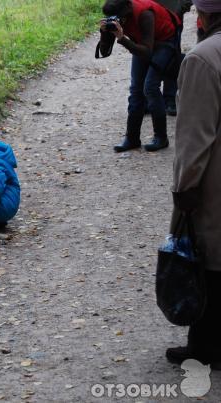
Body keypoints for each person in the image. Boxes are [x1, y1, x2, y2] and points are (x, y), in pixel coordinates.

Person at [165, 0, 221, 367]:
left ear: (203, 17)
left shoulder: (203, 59)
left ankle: (207, 347)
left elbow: (194, 137)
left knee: (210, 262)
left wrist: (184, 188)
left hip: (215, 182)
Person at [100, 0, 182, 152]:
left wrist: (122, 39)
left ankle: (161, 138)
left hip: (166, 40)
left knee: (150, 87)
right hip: (144, 43)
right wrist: (105, 33)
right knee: (136, 89)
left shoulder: (145, 15)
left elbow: (147, 52)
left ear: (127, 12)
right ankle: (132, 138)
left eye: (119, 18)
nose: (117, 21)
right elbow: (104, 52)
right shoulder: (118, 17)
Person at [155, 0, 192, 115]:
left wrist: (179, 9)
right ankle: (148, 98)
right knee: (145, 53)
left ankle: (170, 98)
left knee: (172, 56)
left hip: (172, 17)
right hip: (146, 15)